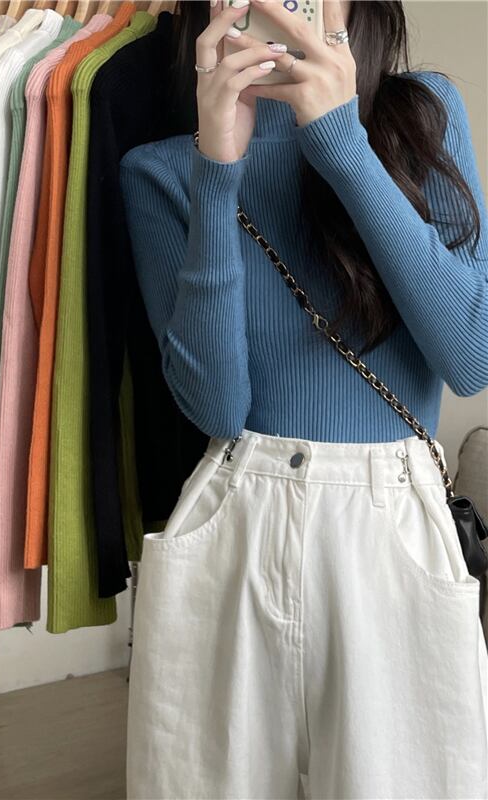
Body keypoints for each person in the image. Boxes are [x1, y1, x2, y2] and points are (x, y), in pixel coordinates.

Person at [120, 0, 488, 797]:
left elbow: (470, 356)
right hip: (236, 515)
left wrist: (340, 141)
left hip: (391, 523)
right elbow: (217, 408)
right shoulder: (159, 168)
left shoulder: (422, 117)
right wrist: (216, 171)